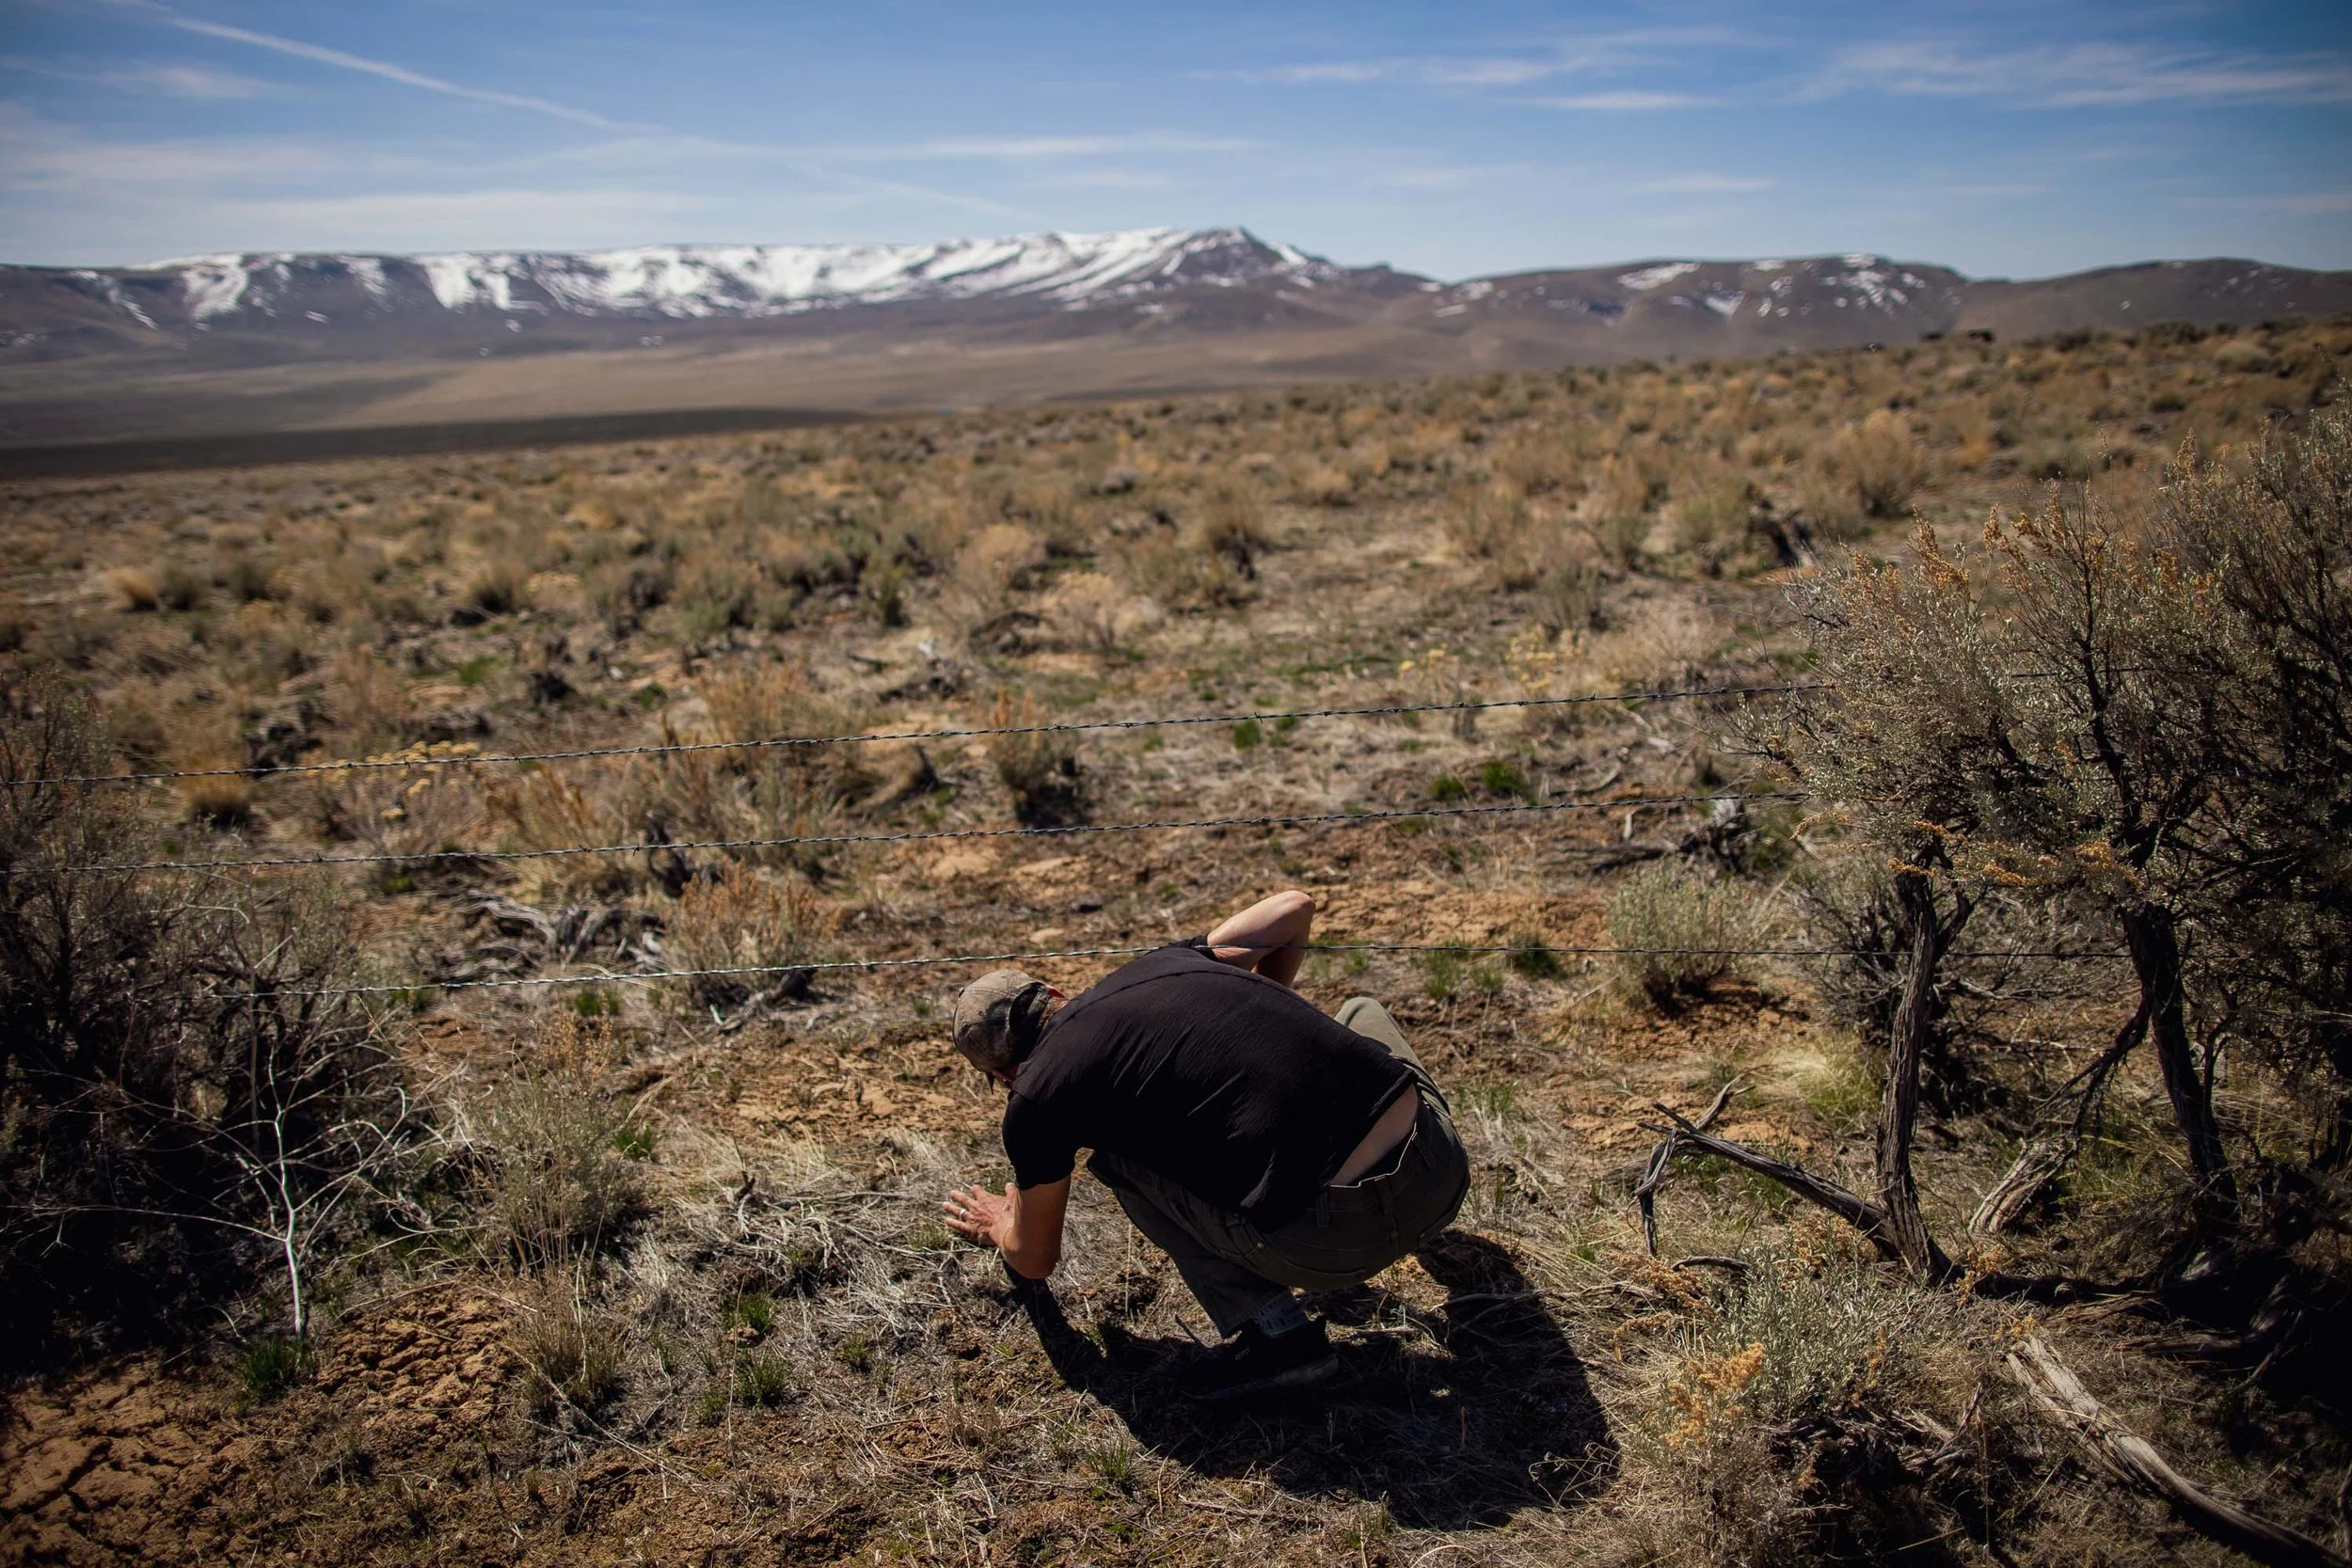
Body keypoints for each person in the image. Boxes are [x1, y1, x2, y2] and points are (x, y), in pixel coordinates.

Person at [941, 890, 1470, 1400]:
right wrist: (1270, 1001)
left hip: (1334, 1246)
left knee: (1120, 1160)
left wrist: (1003, 1225)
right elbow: (1294, 907)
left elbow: (1036, 1260)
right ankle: (1413, 1205)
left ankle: (1281, 1336)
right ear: (1055, 994)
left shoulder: (1036, 1097)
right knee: (1359, 1011)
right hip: (1442, 1174)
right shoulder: (1164, 965)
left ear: (1005, 1074)